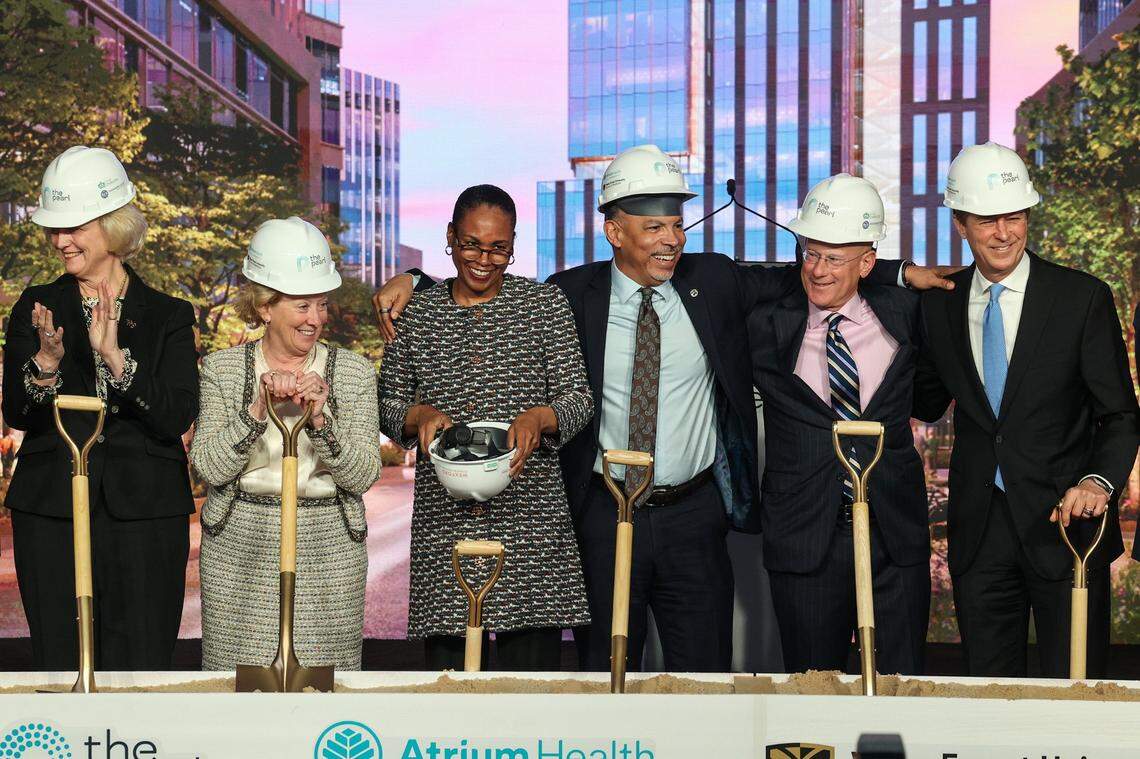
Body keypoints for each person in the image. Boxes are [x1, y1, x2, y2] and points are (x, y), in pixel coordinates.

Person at [374, 145, 955, 673]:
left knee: (702, 669)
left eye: (676, 225)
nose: (672, 240)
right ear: (613, 231)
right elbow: (489, 285)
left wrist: (898, 271)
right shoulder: (569, 294)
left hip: (693, 515)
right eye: (654, 227)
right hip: (603, 512)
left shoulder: (715, 280)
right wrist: (417, 279)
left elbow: (808, 273)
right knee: (604, 668)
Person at [913, 142, 1139, 678]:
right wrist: (891, 279)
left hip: (1067, 527)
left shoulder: (1080, 297)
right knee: (990, 700)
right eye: (987, 220)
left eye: (1014, 216)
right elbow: (923, 399)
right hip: (978, 532)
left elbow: (1121, 414)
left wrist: (1098, 483)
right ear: (961, 224)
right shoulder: (939, 303)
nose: (1003, 232)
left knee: (1078, 695)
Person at [377, 185, 593, 671]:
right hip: (446, 523)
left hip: (532, 521)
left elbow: (579, 400)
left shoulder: (544, 306)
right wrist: (419, 416)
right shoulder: (418, 315)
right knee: (452, 685)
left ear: (514, 243)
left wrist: (541, 417)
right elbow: (387, 408)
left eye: (499, 248)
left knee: (532, 683)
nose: (484, 259)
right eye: (472, 244)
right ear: (450, 238)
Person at [1, 145, 199, 670]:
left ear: (113, 224)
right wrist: (45, 363)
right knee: (63, 662)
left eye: (75, 227)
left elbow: (175, 414)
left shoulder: (169, 316)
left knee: (141, 664)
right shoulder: (37, 305)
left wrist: (116, 358)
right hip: (51, 510)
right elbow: (19, 411)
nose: (60, 241)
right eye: (54, 228)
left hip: (146, 512)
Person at [748, 174, 929, 674]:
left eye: (834, 258)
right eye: (810, 254)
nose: (817, 270)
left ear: (868, 263)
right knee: (813, 694)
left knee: (901, 688)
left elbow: (933, 394)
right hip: (805, 540)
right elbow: (717, 278)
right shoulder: (766, 324)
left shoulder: (908, 313)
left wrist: (904, 275)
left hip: (894, 536)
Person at [190, 217, 380, 671]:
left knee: (323, 688)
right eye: (301, 306)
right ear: (264, 307)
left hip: (330, 547)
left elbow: (364, 474)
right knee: (237, 688)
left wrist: (320, 418)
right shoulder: (223, 370)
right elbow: (209, 468)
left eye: (321, 304)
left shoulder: (353, 373)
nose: (316, 319)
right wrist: (255, 410)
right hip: (240, 544)